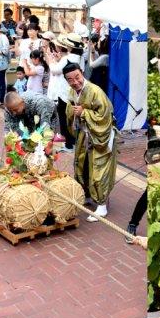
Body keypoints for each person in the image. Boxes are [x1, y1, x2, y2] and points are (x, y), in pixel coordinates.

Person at [65, 63, 118, 222]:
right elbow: (70, 110)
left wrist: (84, 112)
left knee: (98, 169)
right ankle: (87, 195)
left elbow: (105, 116)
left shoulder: (95, 91)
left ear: (82, 73)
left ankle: (102, 204)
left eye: (77, 77)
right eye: (70, 80)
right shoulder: (72, 92)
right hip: (84, 134)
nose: (75, 82)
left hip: (100, 136)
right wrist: (72, 111)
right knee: (81, 165)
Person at [48, 36, 76, 151]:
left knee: (64, 120)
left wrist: (50, 61)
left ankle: (68, 144)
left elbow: (55, 70)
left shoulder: (66, 59)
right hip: (65, 93)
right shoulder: (68, 58)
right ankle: (69, 142)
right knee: (65, 119)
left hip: (64, 95)